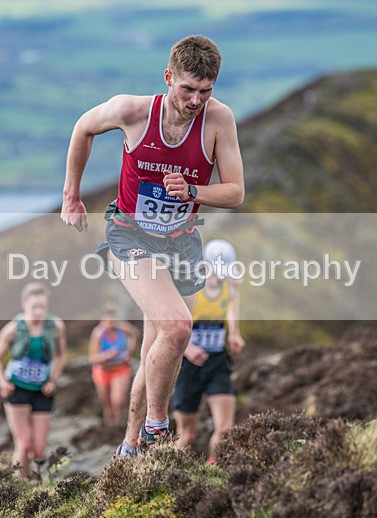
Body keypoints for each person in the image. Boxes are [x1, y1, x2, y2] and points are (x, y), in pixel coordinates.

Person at [61, 35, 244, 457]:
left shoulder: (219, 120)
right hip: (130, 233)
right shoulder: (133, 112)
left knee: (157, 347)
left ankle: (129, 444)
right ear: (168, 78)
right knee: (178, 328)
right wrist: (71, 196)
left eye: (205, 91)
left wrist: (193, 191)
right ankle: (157, 429)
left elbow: (235, 192)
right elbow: (83, 127)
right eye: (188, 89)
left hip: (182, 240)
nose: (196, 100)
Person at [172, 239, 245, 463]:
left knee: (225, 429)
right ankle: (175, 474)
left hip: (217, 362)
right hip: (188, 366)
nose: (220, 277)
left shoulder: (231, 286)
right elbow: (171, 326)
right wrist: (188, 348)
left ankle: (213, 470)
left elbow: (232, 307)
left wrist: (234, 333)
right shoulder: (190, 289)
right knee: (187, 436)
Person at [0, 282, 68, 476]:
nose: (39, 311)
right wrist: (2, 382)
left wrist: (52, 379)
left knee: (39, 450)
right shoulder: (12, 329)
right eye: (34, 306)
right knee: (23, 444)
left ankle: (33, 479)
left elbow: (62, 355)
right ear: (24, 304)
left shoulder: (56, 326)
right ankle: (19, 485)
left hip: (42, 390)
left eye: (42, 306)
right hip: (17, 389)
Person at [88, 306, 139, 426]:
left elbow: (135, 334)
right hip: (103, 371)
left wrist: (130, 352)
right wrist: (106, 355)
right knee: (107, 404)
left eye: (113, 321)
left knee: (118, 401)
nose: (111, 325)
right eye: (108, 322)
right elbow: (92, 358)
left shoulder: (123, 328)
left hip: (120, 369)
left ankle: (118, 425)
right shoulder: (98, 333)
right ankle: (109, 427)